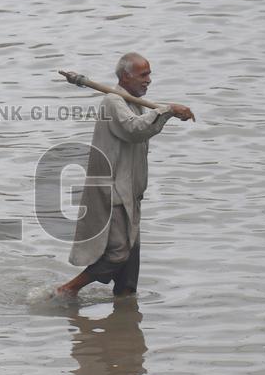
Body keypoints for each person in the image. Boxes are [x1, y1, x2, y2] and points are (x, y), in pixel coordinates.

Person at [55, 53, 194, 298]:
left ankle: (125, 307)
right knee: (118, 252)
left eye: (149, 74)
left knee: (131, 259)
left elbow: (147, 119)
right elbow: (134, 129)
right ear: (126, 76)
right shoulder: (113, 101)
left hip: (132, 192)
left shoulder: (133, 102)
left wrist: (171, 111)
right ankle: (68, 289)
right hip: (114, 192)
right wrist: (170, 110)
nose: (148, 80)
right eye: (143, 75)